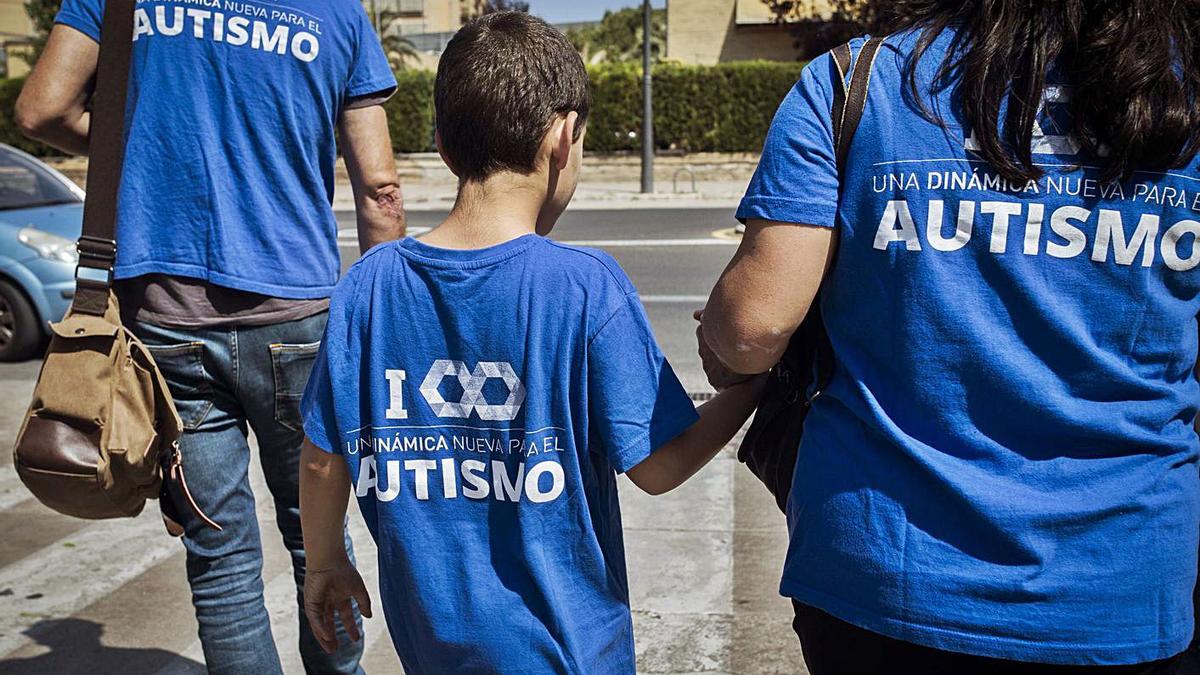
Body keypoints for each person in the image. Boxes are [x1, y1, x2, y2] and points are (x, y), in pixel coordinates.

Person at [697, 1, 1200, 673]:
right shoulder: (1181, 92)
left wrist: (724, 339)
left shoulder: (860, 82)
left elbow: (752, 329)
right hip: (1122, 578)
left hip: (888, 573)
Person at [296, 11, 764, 673]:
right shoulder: (585, 287)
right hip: (569, 654)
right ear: (563, 136)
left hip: (431, 650)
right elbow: (659, 465)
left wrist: (325, 562)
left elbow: (321, 457)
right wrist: (752, 387)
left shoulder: (368, 286)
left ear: (441, 143)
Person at [14, 0, 405, 671]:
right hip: (297, 317)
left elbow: (40, 109)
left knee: (219, 553)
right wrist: (380, 330)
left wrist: (142, 156)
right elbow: (380, 190)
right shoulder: (336, 11)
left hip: (165, 322)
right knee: (319, 539)